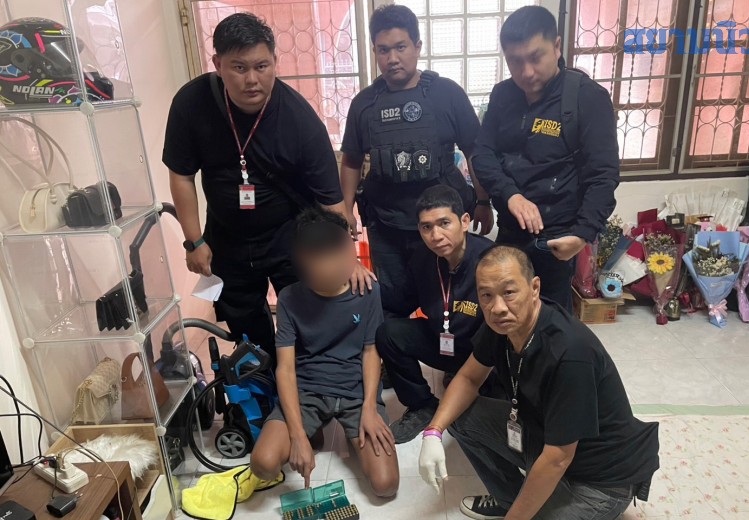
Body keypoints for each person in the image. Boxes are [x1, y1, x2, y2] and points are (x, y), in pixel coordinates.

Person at [418, 245, 659, 520]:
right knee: (461, 415)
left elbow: (559, 456)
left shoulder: (569, 352)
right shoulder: (502, 326)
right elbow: (468, 379)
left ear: (534, 288)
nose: (497, 307)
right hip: (546, 440)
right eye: (486, 295)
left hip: (599, 479)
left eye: (509, 292)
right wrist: (432, 433)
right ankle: (514, 502)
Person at [163, 12, 372, 364]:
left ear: (275, 61)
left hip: (290, 236)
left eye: (262, 66)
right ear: (217, 64)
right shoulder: (191, 104)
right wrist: (194, 241)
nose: (252, 80)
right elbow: (181, 175)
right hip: (227, 237)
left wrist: (346, 259)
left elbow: (332, 203)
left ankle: (303, 381)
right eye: (239, 67)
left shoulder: (299, 119)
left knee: (307, 320)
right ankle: (265, 382)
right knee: (248, 332)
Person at [340, 4, 494, 321]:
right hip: (387, 226)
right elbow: (351, 161)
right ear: (374, 51)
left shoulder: (446, 93)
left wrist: (483, 201)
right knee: (392, 305)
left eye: (401, 47)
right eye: (383, 50)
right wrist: (346, 211)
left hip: (442, 225)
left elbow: (474, 152)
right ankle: (398, 351)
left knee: (453, 302)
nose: (392, 58)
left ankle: (453, 350)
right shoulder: (364, 104)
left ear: (417, 46)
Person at [471, 6, 620, 312]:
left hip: (557, 240)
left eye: (535, 57)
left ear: (556, 46)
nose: (526, 72)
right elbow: (482, 155)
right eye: (515, 61)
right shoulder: (502, 95)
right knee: (504, 315)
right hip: (510, 231)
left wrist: (582, 234)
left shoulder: (586, 97)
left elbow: (603, 175)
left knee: (552, 322)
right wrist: (510, 195)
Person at [250, 209, 399, 497]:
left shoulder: (368, 290)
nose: (329, 275)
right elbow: (285, 368)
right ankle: (311, 431)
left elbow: (371, 352)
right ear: (304, 268)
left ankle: (352, 436)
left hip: (355, 392)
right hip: (308, 391)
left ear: (349, 256)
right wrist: (297, 435)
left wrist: (370, 408)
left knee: (386, 485)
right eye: (319, 271)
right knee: (264, 464)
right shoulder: (290, 298)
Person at [376, 185, 492, 443]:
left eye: (444, 223)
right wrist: (364, 288)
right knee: (389, 333)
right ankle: (421, 405)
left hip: (484, 356)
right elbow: (403, 300)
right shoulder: (422, 258)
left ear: (464, 221)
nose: (435, 235)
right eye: (426, 227)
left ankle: (477, 385)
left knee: (483, 415)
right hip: (443, 344)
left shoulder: (490, 259)